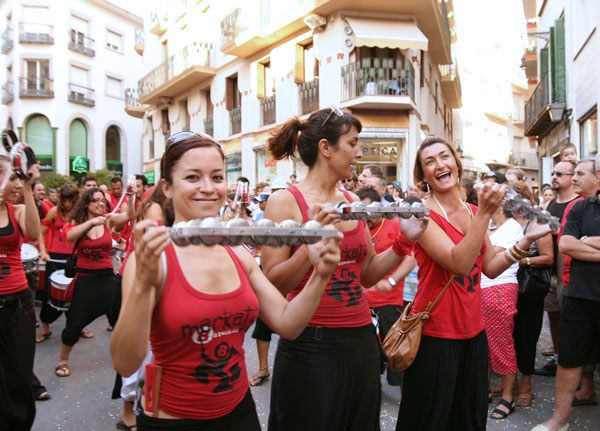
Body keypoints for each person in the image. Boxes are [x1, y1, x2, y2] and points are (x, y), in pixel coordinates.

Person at [110, 132, 343, 430]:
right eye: (193, 177)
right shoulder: (152, 260)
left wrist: (320, 276)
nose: (208, 188)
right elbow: (126, 364)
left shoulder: (238, 254)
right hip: (173, 421)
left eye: (217, 177)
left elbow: (287, 323)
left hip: (239, 414)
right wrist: (142, 284)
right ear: (167, 188)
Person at [262, 109, 426, 431]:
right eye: (353, 143)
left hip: (361, 342)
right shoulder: (285, 201)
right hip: (309, 346)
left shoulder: (352, 200)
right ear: (326, 148)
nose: (360, 153)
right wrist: (309, 248)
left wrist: (403, 243)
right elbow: (272, 284)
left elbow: (365, 273)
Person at [396, 136, 552, 430]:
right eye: (430, 162)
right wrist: (483, 214)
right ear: (423, 175)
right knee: (429, 419)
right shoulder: (423, 214)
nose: (440, 165)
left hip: (474, 333)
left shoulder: (469, 210)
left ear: (456, 163)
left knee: (467, 419)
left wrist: (526, 240)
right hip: (435, 335)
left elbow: (490, 267)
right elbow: (459, 263)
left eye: (445, 157)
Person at [532, 157, 600, 431]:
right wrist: (582, 241)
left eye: (581, 173)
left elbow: (575, 243)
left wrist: (587, 242)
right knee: (569, 360)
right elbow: (567, 245)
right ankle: (559, 421)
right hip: (579, 296)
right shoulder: (581, 207)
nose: (574, 178)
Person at [54, 187, 130, 377]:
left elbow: (130, 215)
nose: (100, 204)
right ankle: (62, 360)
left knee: (120, 322)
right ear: (86, 203)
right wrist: (90, 223)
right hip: (86, 280)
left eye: (103, 200)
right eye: (96, 200)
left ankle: (125, 359)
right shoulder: (77, 223)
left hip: (107, 278)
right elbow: (70, 237)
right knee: (74, 323)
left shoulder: (108, 221)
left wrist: (130, 196)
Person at [357, 186, 416, 387]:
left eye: (370, 213)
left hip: (389, 302)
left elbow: (410, 260)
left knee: (394, 354)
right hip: (362, 304)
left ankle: (405, 396)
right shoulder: (357, 226)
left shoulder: (395, 224)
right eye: (361, 212)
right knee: (367, 357)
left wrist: (390, 282)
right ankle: (371, 392)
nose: (367, 218)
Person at [0, 155, 41, 430]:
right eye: (11, 177)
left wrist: (28, 188)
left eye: (17, 177)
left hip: (18, 304)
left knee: (19, 378)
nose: (16, 182)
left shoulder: (14, 211)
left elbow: (34, 232)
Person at [479, 197, 524, 419]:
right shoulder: (487, 225)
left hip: (499, 287)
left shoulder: (512, 227)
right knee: (483, 344)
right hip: (480, 287)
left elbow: (492, 253)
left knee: (501, 342)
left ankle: (507, 396)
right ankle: (484, 390)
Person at [510, 182, 553, 408]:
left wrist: (522, 260)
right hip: (507, 286)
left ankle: (526, 383)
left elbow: (548, 257)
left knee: (527, 337)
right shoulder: (506, 223)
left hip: (529, 289)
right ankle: (512, 383)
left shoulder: (537, 222)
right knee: (509, 336)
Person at [535, 161, 579, 375]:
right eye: (553, 173)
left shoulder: (579, 204)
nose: (554, 176)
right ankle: (558, 357)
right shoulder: (552, 204)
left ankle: (574, 367)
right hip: (550, 271)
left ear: (572, 177)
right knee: (553, 316)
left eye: (559, 173)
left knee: (571, 321)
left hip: (569, 274)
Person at [37, 184, 82, 343]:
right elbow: (40, 234)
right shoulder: (54, 212)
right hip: (55, 257)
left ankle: (78, 326)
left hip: (74, 257)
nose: (68, 204)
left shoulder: (80, 213)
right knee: (49, 293)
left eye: (71, 200)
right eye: (65, 200)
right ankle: (45, 327)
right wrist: (43, 251)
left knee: (76, 294)